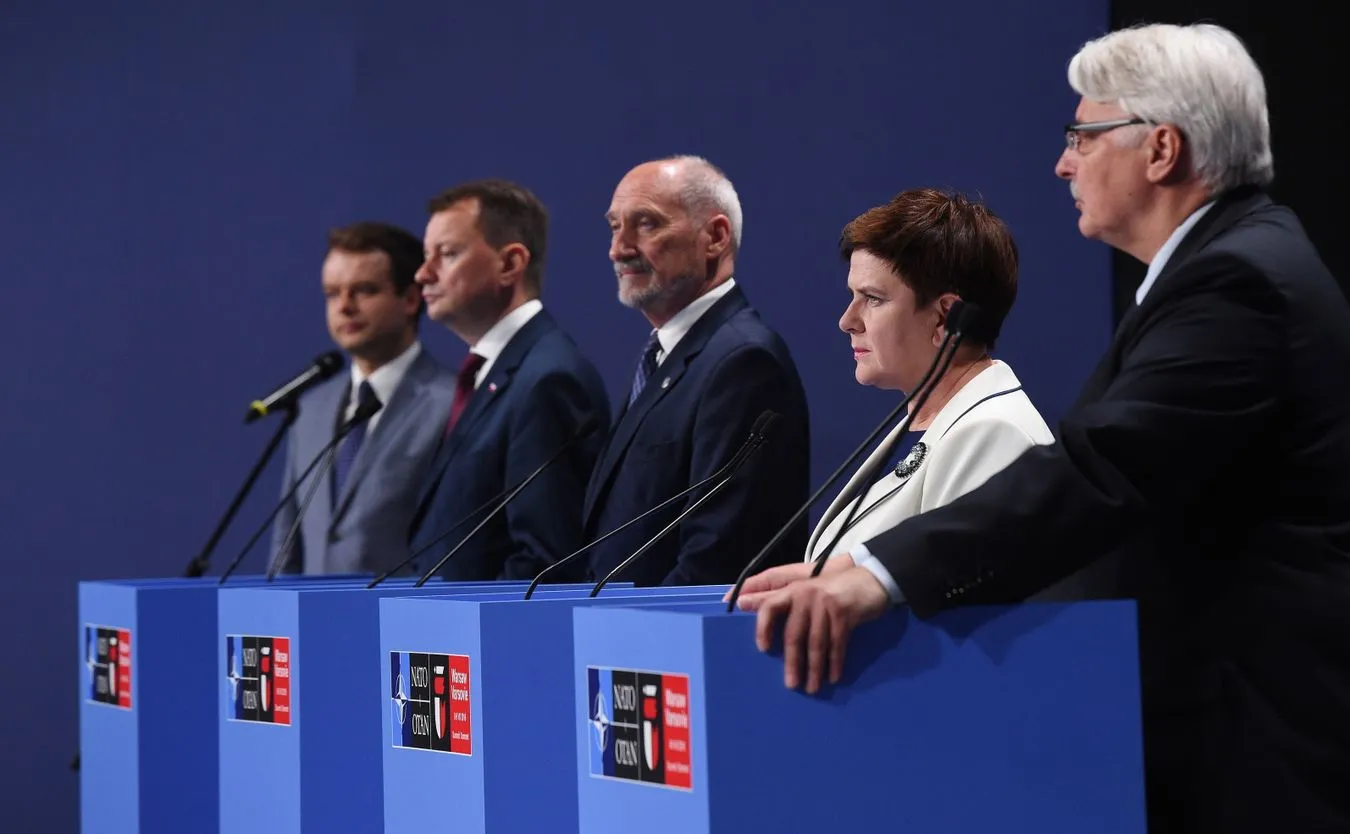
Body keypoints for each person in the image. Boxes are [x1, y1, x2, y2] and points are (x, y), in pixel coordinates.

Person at [737, 22, 1350, 833]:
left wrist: (877, 574)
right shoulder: (1226, 267)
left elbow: (1107, 468)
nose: (1064, 162)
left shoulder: (1235, 282)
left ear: (1161, 149)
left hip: (1253, 733)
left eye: (1083, 136)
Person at [578, 155, 811, 586]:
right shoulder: (666, 354)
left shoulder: (743, 362)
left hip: (666, 644)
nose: (618, 248)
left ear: (715, 237)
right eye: (614, 225)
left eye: (645, 224)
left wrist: (628, 641)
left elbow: (718, 558)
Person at [805, 188, 1052, 571]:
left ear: (944, 318)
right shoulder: (922, 423)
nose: (847, 321)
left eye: (872, 298)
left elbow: (963, 609)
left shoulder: (994, 435)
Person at [405, 179, 610, 581]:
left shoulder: (548, 379)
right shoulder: (495, 372)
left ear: (510, 263)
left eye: (446, 254)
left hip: (489, 638)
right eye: (426, 256)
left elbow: (545, 563)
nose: (422, 274)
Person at [271, 221, 454, 575]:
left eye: (364, 290)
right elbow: (286, 547)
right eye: (332, 293)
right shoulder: (310, 407)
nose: (344, 306)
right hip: (312, 623)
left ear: (412, 299)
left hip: (403, 624)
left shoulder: (451, 403)